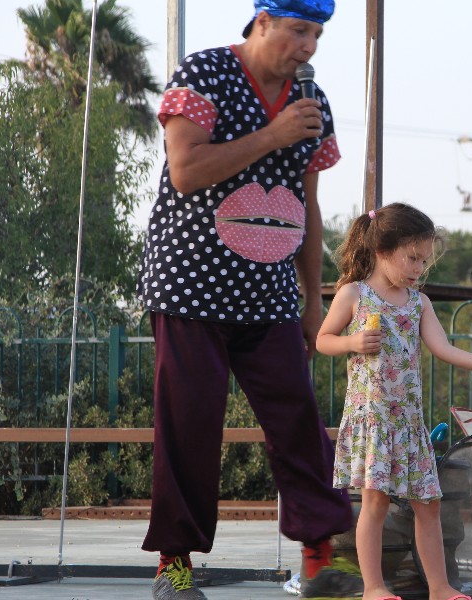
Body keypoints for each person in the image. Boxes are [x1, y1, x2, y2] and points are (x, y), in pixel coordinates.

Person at [136, 1, 353, 598]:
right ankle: (174, 566)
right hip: (191, 286)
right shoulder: (203, 74)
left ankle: (320, 557)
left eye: (316, 34)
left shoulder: (312, 104)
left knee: (299, 422)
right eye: (297, 31)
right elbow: (185, 170)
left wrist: (314, 300)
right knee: (190, 424)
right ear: (262, 22)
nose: (308, 46)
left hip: (271, 293)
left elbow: (308, 207)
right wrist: (273, 135)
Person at [316, 204, 472, 600]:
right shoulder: (354, 294)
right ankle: (374, 587)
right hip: (372, 418)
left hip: (407, 421)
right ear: (382, 249)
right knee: (375, 503)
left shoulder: (418, 303)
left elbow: (444, 349)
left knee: (428, 504)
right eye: (411, 258)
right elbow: (322, 340)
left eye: (424, 261)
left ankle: (440, 587)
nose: (418, 268)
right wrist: (351, 342)